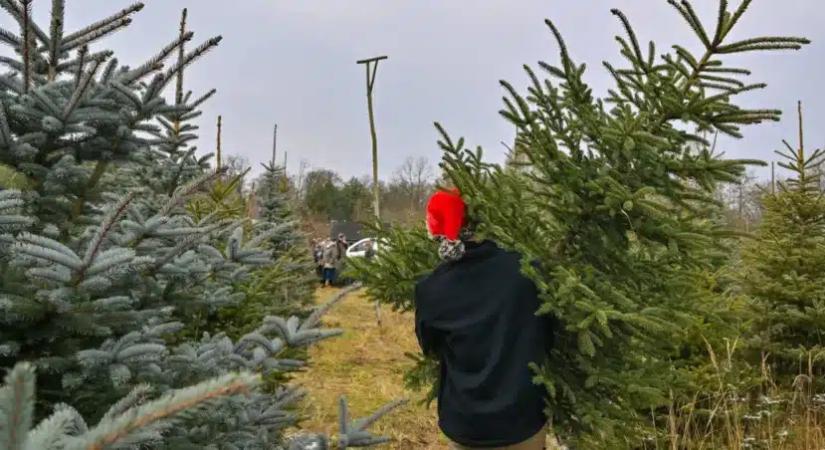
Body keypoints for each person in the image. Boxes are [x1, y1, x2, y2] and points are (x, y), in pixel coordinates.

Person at [414, 188, 556, 450]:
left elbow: (429, 347)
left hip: (466, 424)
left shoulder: (430, 288)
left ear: (438, 230)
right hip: (523, 420)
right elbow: (551, 332)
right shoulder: (527, 270)